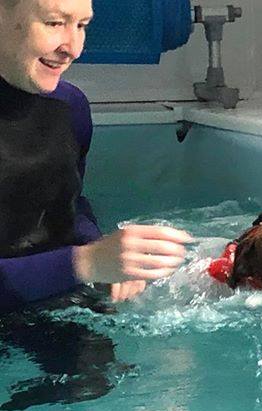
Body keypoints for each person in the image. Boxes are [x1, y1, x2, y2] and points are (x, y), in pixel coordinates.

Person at [0, 0, 193, 310]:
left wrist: (105, 254)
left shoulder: (69, 107)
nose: (73, 49)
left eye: (82, 26)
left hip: (59, 301)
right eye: (54, 23)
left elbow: (69, 204)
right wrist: (85, 262)